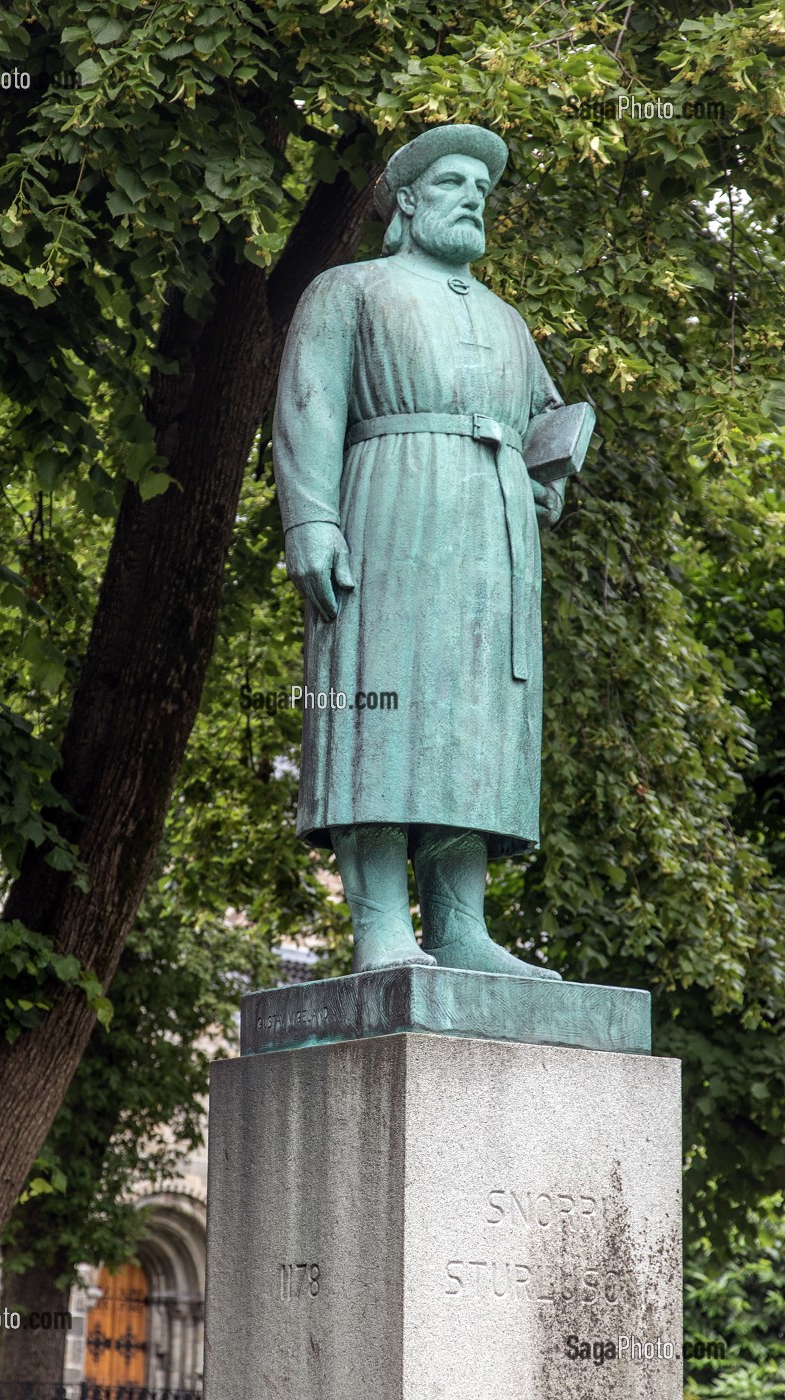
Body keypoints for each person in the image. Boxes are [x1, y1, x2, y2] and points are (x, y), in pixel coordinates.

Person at [274, 125, 568, 979]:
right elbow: (310, 404)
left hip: (492, 531)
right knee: (379, 705)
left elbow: (535, 422)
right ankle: (378, 928)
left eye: (483, 186)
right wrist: (310, 522)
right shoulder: (350, 288)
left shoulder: (509, 322)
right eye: (452, 182)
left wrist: (543, 474)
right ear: (406, 201)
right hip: (388, 504)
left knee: (476, 717)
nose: (474, 195)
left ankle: (458, 926)